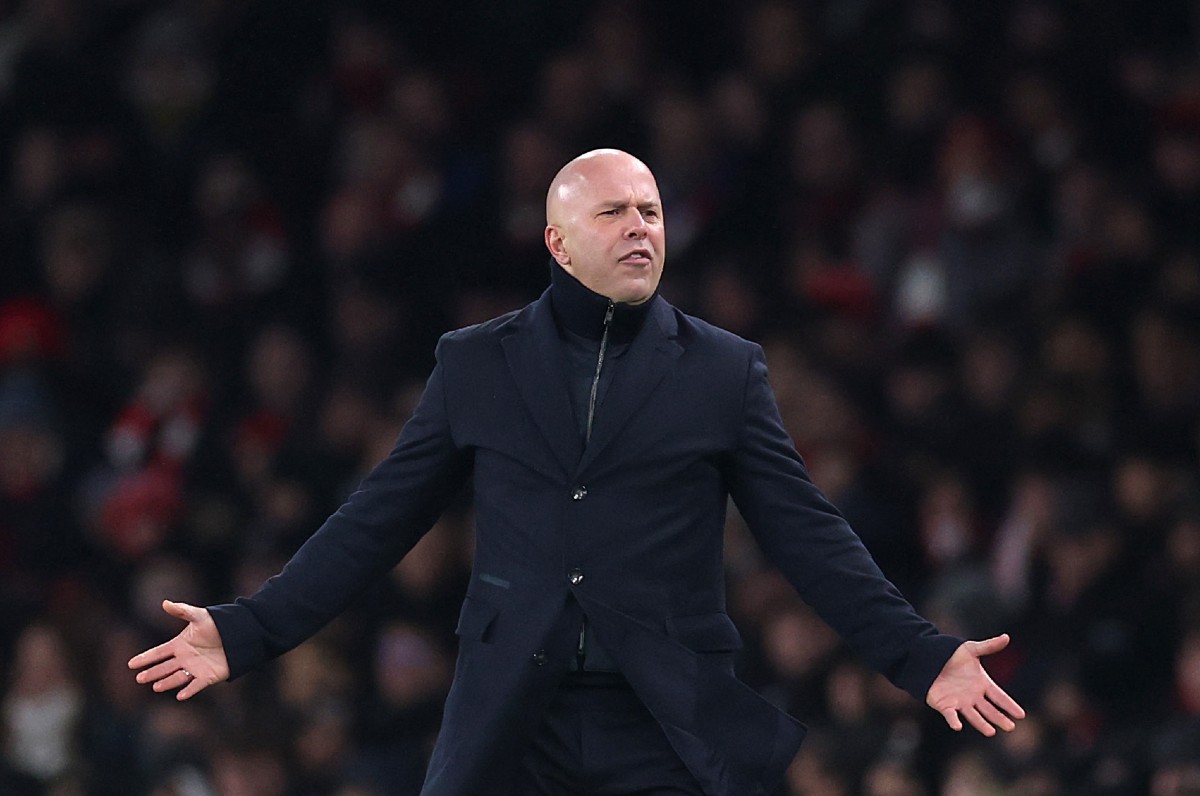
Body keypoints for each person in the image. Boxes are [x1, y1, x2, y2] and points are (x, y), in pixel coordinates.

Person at [130, 149, 1025, 795]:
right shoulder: (477, 364)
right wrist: (246, 631)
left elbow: (807, 531)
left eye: (652, 213)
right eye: (615, 213)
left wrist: (921, 655)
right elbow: (377, 520)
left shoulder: (724, 370)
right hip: (514, 721)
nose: (641, 228)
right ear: (558, 244)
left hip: (667, 721)